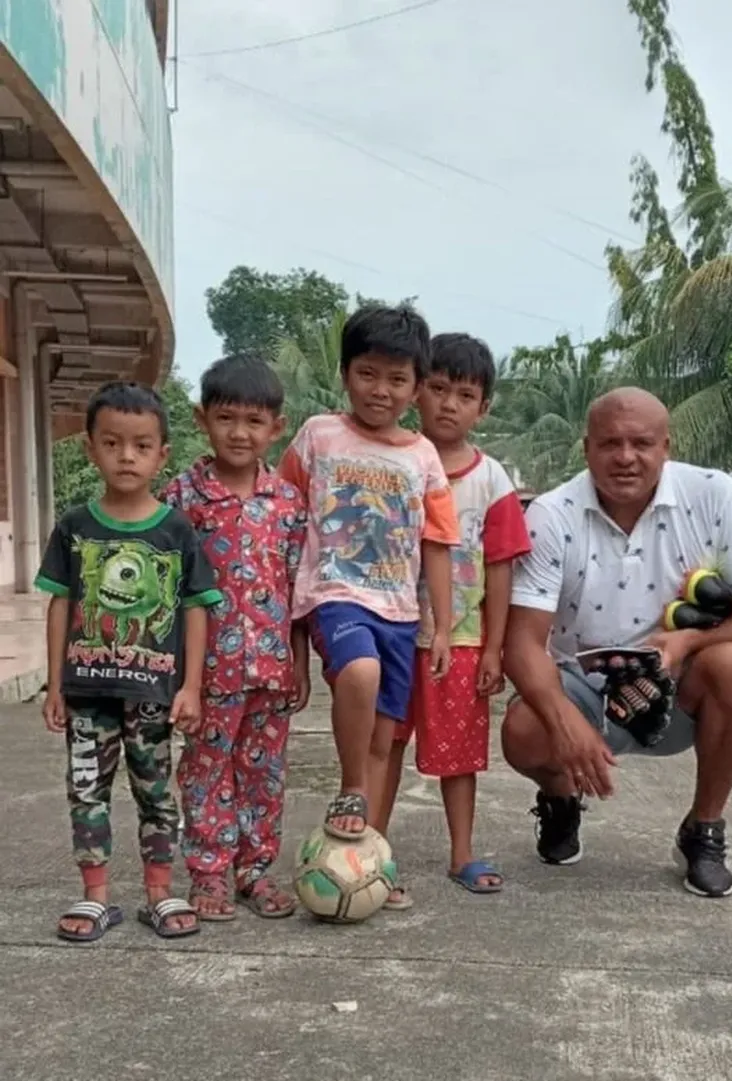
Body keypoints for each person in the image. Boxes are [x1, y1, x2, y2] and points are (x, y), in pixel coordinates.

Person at [501, 387, 732, 899]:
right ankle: (560, 798)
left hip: (677, 683)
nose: (626, 457)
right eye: (609, 444)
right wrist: (566, 726)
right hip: (581, 684)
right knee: (522, 730)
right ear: (586, 449)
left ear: (666, 446)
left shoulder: (713, 495)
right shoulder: (551, 515)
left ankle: (704, 828)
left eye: (641, 443)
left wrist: (687, 640)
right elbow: (521, 644)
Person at [278, 306, 460, 900]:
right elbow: (284, 516)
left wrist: (440, 624)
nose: (380, 390)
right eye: (367, 373)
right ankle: (350, 788)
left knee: (386, 739)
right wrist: (289, 629)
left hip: (400, 611)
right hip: (334, 595)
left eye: (397, 379)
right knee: (359, 670)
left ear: (417, 385)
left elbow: (436, 544)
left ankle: (368, 859)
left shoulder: (423, 457)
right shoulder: (318, 435)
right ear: (345, 372)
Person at [35, 381, 222, 941]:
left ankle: (159, 892)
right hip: (87, 694)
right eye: (112, 443)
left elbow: (196, 609)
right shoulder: (75, 527)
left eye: (141, 446)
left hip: (154, 697)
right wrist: (54, 686)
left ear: (162, 454)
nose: (126, 456)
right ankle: (95, 896)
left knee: (156, 794)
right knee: (87, 790)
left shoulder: (175, 530)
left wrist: (191, 686)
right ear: (90, 448)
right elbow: (59, 604)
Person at [373, 333, 532, 902]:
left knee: (459, 756)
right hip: (391, 629)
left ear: (483, 407)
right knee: (382, 744)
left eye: (464, 394)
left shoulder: (493, 481)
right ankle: (372, 851)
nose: (448, 404)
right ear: (417, 391)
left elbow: (501, 570)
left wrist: (494, 649)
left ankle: (461, 852)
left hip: (462, 640)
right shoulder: (394, 461)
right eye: (437, 389)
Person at [161, 355, 308, 921]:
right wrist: (179, 676)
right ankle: (209, 873)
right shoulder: (182, 499)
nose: (239, 433)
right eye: (227, 419)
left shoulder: (288, 504)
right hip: (207, 672)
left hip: (271, 669)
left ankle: (255, 870)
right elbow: (168, 590)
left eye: (254, 421)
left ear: (277, 427)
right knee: (205, 769)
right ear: (202, 419)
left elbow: (296, 591)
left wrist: (300, 662)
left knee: (264, 773)